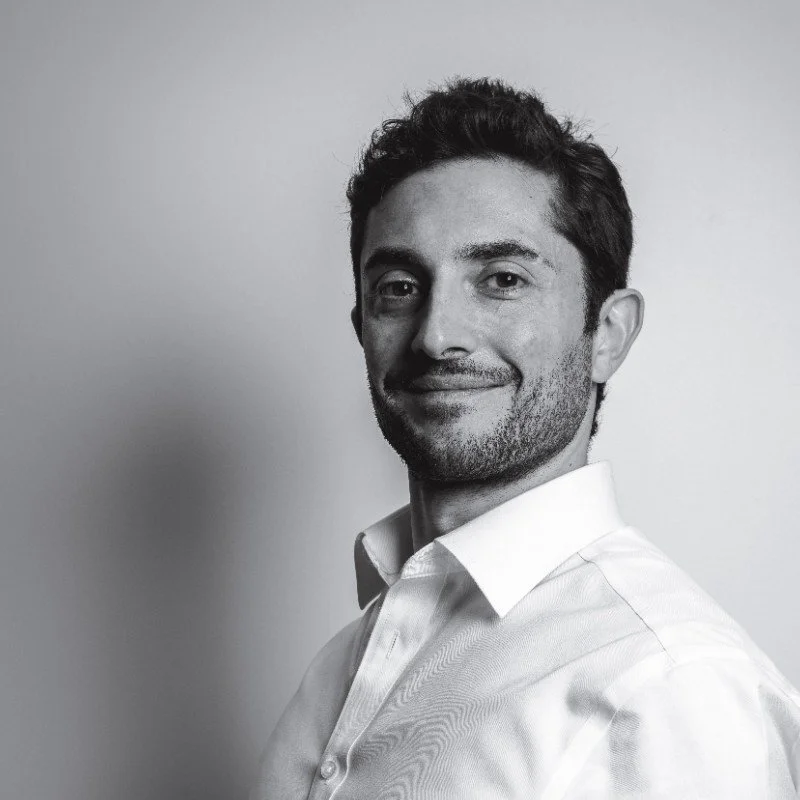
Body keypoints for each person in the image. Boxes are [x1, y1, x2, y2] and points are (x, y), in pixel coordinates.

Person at [254, 78, 800, 799]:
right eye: (397, 286)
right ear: (362, 329)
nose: (437, 335)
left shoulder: (670, 686)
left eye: (502, 279)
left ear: (607, 334)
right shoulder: (341, 667)